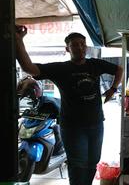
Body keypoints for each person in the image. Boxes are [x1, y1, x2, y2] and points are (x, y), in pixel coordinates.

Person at [15, 25, 123, 185]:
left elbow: (119, 69)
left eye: (82, 44)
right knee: (78, 165)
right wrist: (18, 41)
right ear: (67, 48)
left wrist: (112, 90)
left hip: (96, 124)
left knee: (92, 163)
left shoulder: (95, 64)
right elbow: (29, 68)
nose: (79, 47)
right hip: (73, 127)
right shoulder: (61, 68)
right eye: (74, 45)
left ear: (86, 47)